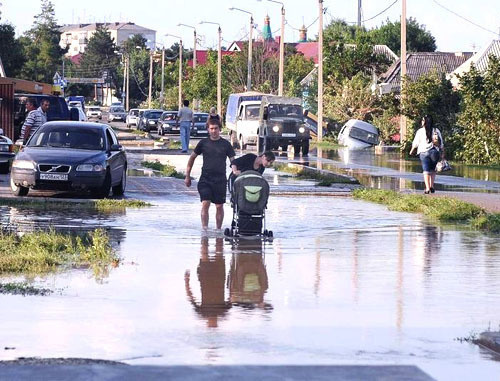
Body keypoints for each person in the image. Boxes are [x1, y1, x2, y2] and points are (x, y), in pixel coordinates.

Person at [185, 116, 235, 230]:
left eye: (216, 128)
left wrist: (235, 171)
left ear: (220, 129)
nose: (214, 131)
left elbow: (233, 161)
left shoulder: (226, 144)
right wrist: (187, 175)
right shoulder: (203, 143)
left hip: (220, 179)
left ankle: (218, 230)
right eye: (211, 129)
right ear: (208, 129)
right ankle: (205, 230)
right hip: (205, 179)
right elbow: (192, 158)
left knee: (219, 206)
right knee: (205, 203)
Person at [409, 115, 444, 194]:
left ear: (425, 122)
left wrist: (411, 150)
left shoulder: (420, 131)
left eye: (422, 120)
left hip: (423, 152)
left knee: (426, 170)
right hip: (434, 152)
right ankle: (432, 186)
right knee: (433, 170)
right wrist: (442, 152)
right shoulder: (436, 130)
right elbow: (441, 142)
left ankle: (427, 188)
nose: (421, 122)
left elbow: (415, 143)